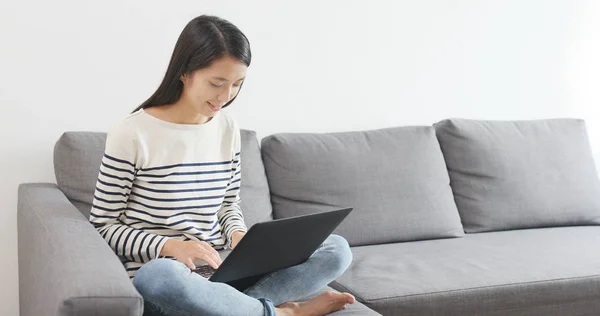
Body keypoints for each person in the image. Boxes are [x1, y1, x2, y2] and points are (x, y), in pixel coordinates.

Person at [89, 15, 356, 316]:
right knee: (158, 276)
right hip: (170, 277)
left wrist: (239, 237)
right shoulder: (132, 134)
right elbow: (103, 226)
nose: (226, 97)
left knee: (336, 249)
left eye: (237, 85)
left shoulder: (227, 128)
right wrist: (170, 247)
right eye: (216, 83)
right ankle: (283, 313)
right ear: (185, 72)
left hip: (224, 273)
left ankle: (239, 309)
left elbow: (228, 204)